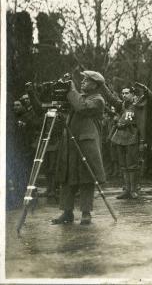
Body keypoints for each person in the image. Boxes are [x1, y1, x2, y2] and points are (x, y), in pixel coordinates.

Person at [52, 71, 107, 226]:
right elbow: (71, 104)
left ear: (95, 84)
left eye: (86, 80)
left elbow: (81, 108)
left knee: (86, 178)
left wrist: (71, 90)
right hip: (71, 142)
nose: (82, 82)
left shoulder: (98, 100)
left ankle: (86, 212)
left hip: (86, 144)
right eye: (82, 80)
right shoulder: (80, 97)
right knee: (68, 177)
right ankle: (67, 212)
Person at [103, 85, 144, 199]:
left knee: (132, 165)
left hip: (132, 137)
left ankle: (133, 190)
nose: (124, 95)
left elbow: (141, 124)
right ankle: (126, 189)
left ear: (132, 94)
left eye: (127, 93)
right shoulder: (121, 105)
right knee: (123, 165)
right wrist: (103, 86)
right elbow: (111, 99)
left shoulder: (138, 106)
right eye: (123, 93)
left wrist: (141, 141)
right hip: (120, 138)